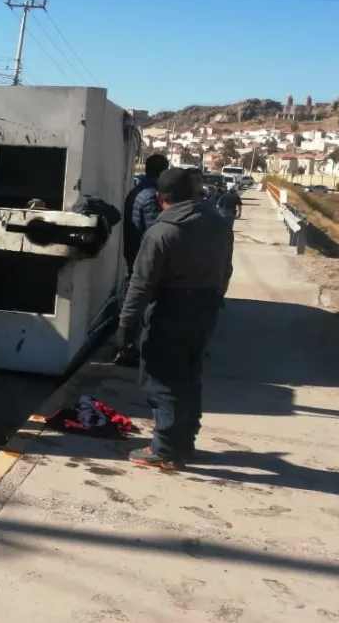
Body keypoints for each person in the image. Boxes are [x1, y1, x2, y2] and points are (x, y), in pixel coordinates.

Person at [115, 167, 234, 470]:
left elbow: (141, 284)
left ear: (160, 197)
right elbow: (226, 270)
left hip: (172, 309)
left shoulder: (161, 232)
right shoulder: (220, 225)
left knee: (162, 379)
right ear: (193, 192)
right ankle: (185, 443)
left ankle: (166, 449)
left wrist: (126, 326)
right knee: (190, 375)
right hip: (206, 308)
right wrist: (214, 298)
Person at [114, 154, 170, 366]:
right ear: (162, 172)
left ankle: (126, 346)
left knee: (134, 300)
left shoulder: (135, 191)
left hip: (133, 253)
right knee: (143, 304)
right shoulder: (152, 196)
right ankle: (129, 349)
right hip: (144, 259)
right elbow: (155, 233)